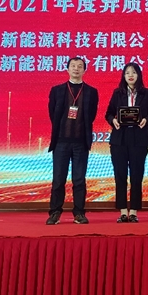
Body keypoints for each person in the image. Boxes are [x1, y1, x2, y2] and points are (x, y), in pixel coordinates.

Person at [46, 57, 99, 225]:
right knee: (58, 179)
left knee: (79, 179)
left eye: (80, 66)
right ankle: (55, 213)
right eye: (73, 66)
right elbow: (52, 114)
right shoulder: (57, 90)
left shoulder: (91, 92)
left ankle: (79, 213)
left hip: (80, 143)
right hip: (61, 142)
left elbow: (91, 115)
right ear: (67, 69)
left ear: (84, 70)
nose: (76, 69)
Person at [105, 63, 148, 223]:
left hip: (139, 139)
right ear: (123, 76)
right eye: (127, 72)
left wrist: (146, 120)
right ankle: (123, 211)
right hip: (119, 139)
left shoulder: (146, 93)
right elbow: (108, 113)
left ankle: (134, 211)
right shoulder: (117, 93)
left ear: (139, 75)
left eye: (134, 72)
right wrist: (113, 121)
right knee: (120, 175)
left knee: (136, 175)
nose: (130, 75)